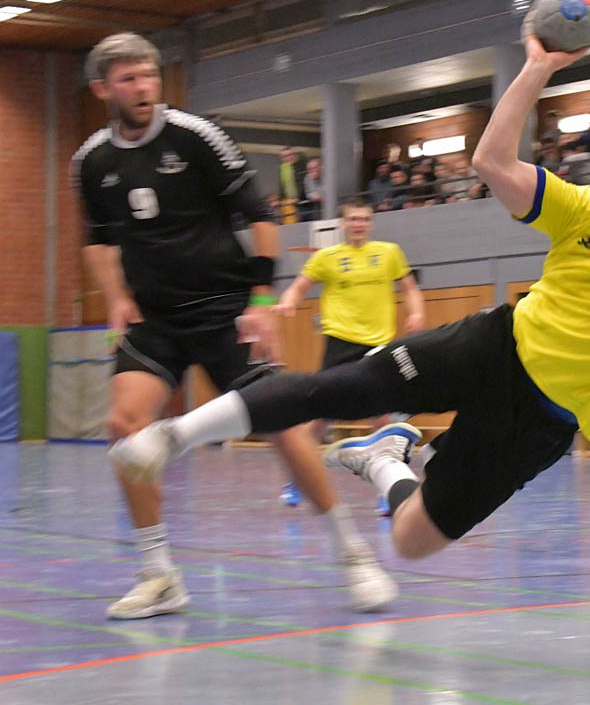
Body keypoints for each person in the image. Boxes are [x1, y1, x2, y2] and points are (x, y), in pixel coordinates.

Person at [109, 30, 590, 566]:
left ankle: (384, 462)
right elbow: (492, 162)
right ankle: (172, 436)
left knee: (412, 541)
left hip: (544, 422)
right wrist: (537, 68)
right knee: (330, 392)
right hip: (493, 348)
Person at [73, 33, 396, 619]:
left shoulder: (195, 137)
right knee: (124, 427)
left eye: (149, 76)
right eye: (129, 79)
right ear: (103, 90)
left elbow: (261, 217)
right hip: (156, 319)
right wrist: (116, 297)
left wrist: (262, 300)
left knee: (283, 427)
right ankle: (159, 575)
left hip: (225, 311)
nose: (143, 88)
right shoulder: (92, 161)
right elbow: (97, 239)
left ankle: (354, 555)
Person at [273, 199, 426, 507]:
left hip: (378, 344)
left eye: (364, 219)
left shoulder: (389, 253)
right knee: (322, 415)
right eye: (353, 219)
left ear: (371, 223)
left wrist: (416, 312)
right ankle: (297, 480)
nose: (359, 224)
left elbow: (409, 288)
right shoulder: (327, 257)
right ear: (343, 224)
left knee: (381, 417)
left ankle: (389, 487)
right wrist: (288, 301)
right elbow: (299, 286)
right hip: (341, 343)